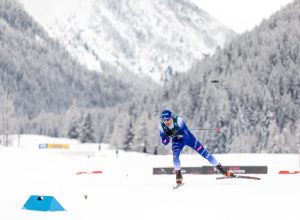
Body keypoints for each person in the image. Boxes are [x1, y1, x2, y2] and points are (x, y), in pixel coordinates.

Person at [159, 109, 235, 184]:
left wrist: (176, 132)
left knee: (204, 153)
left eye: (167, 119)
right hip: (177, 141)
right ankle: (178, 175)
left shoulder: (178, 120)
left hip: (189, 139)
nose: (166, 122)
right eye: (164, 120)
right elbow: (164, 142)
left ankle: (222, 170)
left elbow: (186, 134)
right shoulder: (161, 126)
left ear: (171, 117)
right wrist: (167, 138)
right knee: (175, 157)